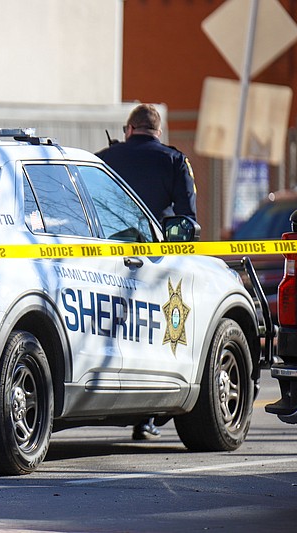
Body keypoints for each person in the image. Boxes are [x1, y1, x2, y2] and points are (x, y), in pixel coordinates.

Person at [96, 104, 197, 441]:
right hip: (156, 265)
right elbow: (187, 220)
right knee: (158, 339)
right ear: (159, 130)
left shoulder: (103, 159)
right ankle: (147, 417)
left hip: (102, 260)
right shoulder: (174, 160)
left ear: (129, 129)